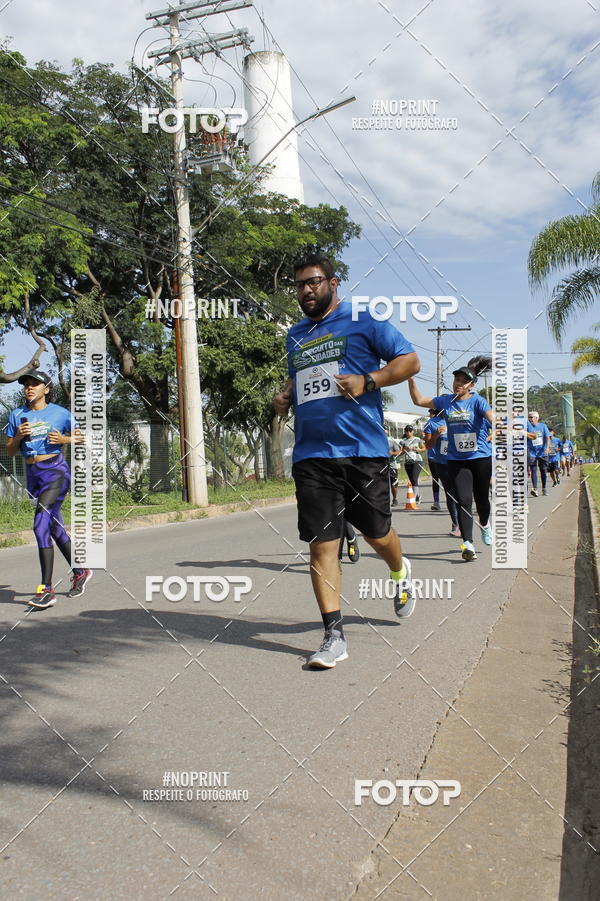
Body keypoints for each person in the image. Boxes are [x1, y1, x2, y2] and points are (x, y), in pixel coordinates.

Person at [273, 254, 420, 668]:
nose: (306, 290)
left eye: (314, 282)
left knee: (377, 533)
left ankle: (399, 570)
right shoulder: (296, 335)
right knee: (322, 545)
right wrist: (285, 397)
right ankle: (333, 636)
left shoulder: (364, 320)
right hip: (312, 454)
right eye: (300, 285)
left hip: (362, 450)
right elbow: (298, 376)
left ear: (333, 283)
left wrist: (369, 380)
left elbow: (410, 360)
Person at [4, 371, 93, 608]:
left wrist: (64, 440)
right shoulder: (17, 415)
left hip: (55, 472)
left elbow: (80, 437)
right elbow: (10, 451)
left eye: (35, 384)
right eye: (26, 385)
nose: (29, 388)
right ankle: (81, 571)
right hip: (33, 474)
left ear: (46, 389)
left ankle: (46, 589)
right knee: (53, 526)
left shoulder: (60, 413)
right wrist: (17, 437)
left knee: (40, 524)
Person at [408, 356, 494, 561]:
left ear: (471, 386)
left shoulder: (478, 401)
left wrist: (497, 424)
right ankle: (468, 544)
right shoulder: (445, 401)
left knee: (482, 500)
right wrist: (410, 378)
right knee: (463, 500)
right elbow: (418, 400)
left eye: (463, 381)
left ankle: (485, 523)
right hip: (456, 460)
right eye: (457, 380)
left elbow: (491, 416)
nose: (458, 384)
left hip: (480, 458)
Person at [423, 407, 460, 536]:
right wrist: (436, 435)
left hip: (460, 461)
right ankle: (456, 524)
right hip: (442, 463)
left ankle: (464, 522)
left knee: (462, 494)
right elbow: (428, 445)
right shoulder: (431, 423)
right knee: (450, 494)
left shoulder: (458, 419)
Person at [398, 425, 425, 504]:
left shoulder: (417, 439)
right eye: (407, 431)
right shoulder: (403, 441)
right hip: (407, 462)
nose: (408, 432)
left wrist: (416, 449)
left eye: (410, 430)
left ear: (413, 431)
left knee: (414, 478)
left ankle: (414, 498)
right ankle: (418, 496)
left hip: (417, 461)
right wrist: (405, 450)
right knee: (412, 480)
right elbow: (400, 453)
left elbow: (424, 448)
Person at [526, 411, 551, 496]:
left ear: (537, 418)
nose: (530, 419)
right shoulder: (527, 427)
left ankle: (544, 488)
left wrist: (547, 448)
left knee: (543, 470)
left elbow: (547, 438)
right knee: (533, 470)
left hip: (542, 452)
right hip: (532, 452)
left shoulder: (543, 426)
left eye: (531, 417)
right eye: (529, 417)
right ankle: (535, 489)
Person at [386, 428, 401, 506]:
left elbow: (398, 451)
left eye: (385, 429)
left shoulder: (392, 440)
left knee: (393, 483)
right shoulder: (377, 440)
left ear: (387, 431)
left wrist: (391, 453)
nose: (383, 431)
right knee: (383, 484)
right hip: (381, 465)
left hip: (392, 465)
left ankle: (395, 499)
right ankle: (384, 501)